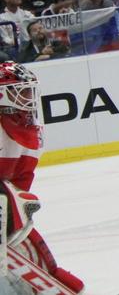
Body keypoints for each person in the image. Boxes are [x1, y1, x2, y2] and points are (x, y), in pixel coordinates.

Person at [0, 62, 83, 291]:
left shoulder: (31, 131)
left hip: (6, 219)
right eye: (22, 91)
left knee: (45, 264)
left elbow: (18, 186)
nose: (29, 97)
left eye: (30, 91)